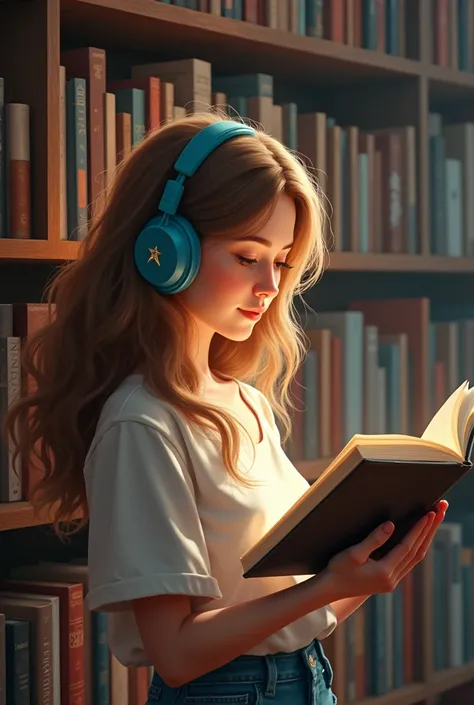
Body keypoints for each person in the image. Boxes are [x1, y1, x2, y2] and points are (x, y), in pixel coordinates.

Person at [4, 111, 447, 705]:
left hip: (306, 680)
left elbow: (293, 614)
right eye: (246, 256)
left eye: (282, 261)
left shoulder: (246, 403)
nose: (270, 285)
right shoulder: (143, 422)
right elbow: (178, 655)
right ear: (165, 249)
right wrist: (325, 589)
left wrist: (368, 575)